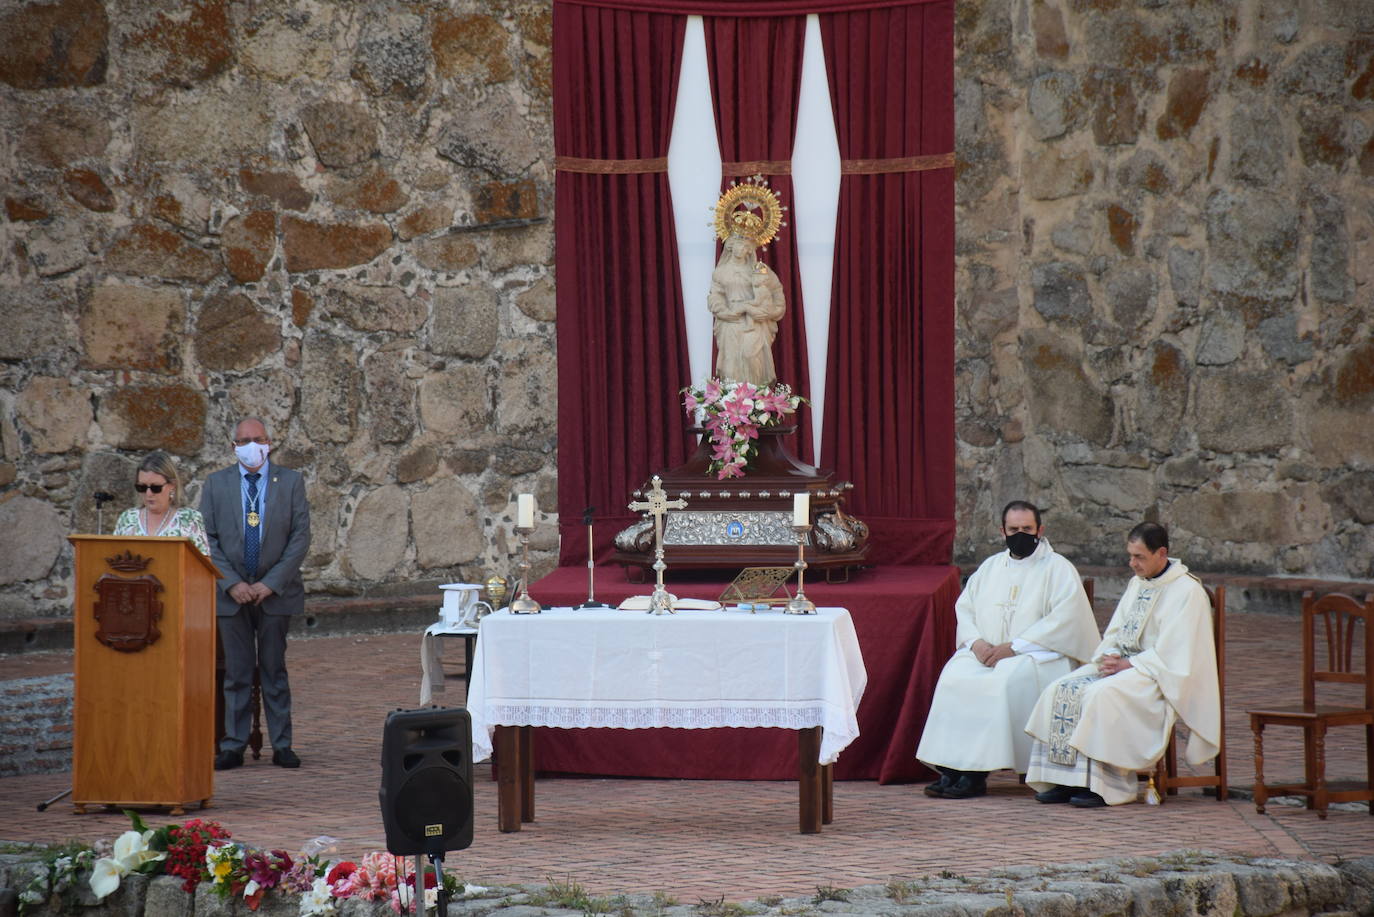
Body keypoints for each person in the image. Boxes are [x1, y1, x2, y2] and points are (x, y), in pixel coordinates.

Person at [1024, 522, 1220, 807]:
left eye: (1139, 557)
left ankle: (1103, 785)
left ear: (1161, 553)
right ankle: (1065, 780)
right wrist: (1110, 656)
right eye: (1130, 555)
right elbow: (1116, 631)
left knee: (1099, 696)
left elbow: (1178, 653)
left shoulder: (1188, 592)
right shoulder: (1137, 583)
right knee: (1061, 688)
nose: (1132, 563)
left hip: (1157, 676)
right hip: (1124, 666)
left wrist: (1130, 664)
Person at [916, 500, 1099, 799]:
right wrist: (976, 643)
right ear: (1002, 531)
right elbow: (965, 609)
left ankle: (975, 775)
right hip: (986, 652)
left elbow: (1065, 621)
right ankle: (953, 769)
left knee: (1001, 683)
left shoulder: (1058, 569)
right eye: (1013, 529)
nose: (1020, 535)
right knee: (954, 676)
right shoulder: (990, 567)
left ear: (1040, 529)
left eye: (1027, 529)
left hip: (1037, 655)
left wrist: (1013, 647)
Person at [200, 417, 311, 771]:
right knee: (237, 671)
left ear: (270, 442)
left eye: (258, 439)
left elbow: (299, 538)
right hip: (231, 593)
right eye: (244, 440)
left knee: (274, 669)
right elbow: (207, 539)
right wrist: (231, 582)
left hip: (275, 593)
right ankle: (233, 744)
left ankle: (282, 744)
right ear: (233, 447)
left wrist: (270, 583)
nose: (252, 446)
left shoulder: (291, 482)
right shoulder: (216, 484)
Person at [708, 214, 786, 386]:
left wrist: (767, 312)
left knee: (753, 363)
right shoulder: (720, 272)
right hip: (730, 324)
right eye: (737, 243)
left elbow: (776, 293)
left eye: (745, 245)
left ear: (751, 248)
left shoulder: (760, 270)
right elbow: (715, 296)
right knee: (730, 368)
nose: (740, 248)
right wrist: (724, 311)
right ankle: (731, 408)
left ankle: (756, 406)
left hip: (755, 326)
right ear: (730, 245)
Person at [112, 451, 211, 556]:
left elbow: (203, 566)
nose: (148, 493)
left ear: (172, 485)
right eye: (142, 487)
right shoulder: (127, 519)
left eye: (156, 488)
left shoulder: (190, 520)